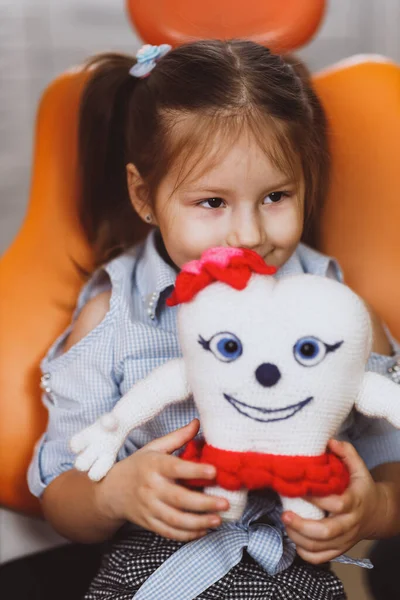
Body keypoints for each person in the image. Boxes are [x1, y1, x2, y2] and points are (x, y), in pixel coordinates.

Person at [3, 39, 400, 599]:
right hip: (147, 576)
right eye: (212, 202)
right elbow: (61, 498)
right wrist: (113, 494)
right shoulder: (111, 322)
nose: (249, 235)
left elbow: (393, 467)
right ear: (145, 195)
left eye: (276, 196)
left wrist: (376, 507)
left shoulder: (341, 314)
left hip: (291, 576)